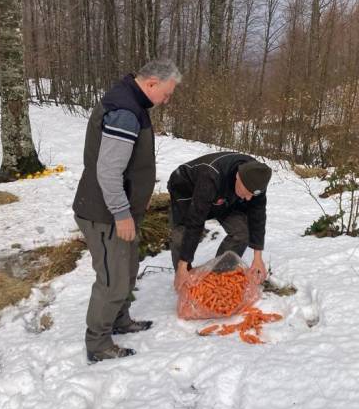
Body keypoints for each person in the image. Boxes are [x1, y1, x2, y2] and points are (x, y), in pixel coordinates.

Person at [73, 58, 181, 363]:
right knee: (112, 279)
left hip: (121, 211)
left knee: (127, 270)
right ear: (150, 84)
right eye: (166, 93)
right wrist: (121, 213)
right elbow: (108, 171)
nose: (166, 100)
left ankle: (119, 320)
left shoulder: (131, 102)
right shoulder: (125, 112)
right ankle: (98, 344)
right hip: (104, 214)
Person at [167, 152, 272, 291]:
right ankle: (184, 280)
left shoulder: (257, 179)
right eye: (246, 192)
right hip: (187, 190)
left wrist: (258, 258)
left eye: (252, 195)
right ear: (237, 177)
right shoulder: (211, 175)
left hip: (225, 196)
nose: (248, 198)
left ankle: (217, 277)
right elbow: (195, 221)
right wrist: (182, 265)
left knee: (242, 232)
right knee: (181, 236)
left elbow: (257, 216)